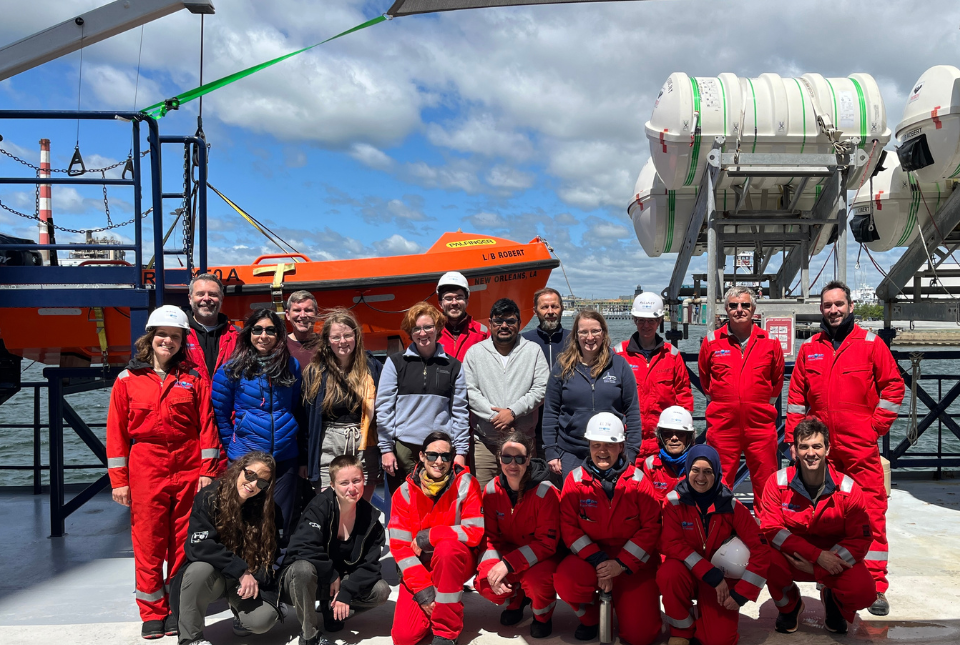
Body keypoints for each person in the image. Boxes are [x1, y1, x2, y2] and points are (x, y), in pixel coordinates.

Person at [786, 280, 904, 615]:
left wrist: (874, 428)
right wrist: (794, 440)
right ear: (821, 309)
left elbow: (894, 387)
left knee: (869, 512)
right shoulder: (810, 348)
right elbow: (796, 398)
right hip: (820, 450)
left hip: (859, 448)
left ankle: (876, 585)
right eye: (827, 305)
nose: (833, 310)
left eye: (839, 304)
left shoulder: (870, 344)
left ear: (850, 306)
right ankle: (828, 574)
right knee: (821, 514)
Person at [107, 305, 220, 640]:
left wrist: (207, 471)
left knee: (183, 543)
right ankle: (152, 612)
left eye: (174, 336)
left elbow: (207, 428)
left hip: (187, 464)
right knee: (149, 542)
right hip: (146, 464)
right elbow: (116, 435)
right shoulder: (127, 381)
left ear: (182, 341)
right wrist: (120, 482)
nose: (167, 342)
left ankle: (177, 608)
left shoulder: (193, 379)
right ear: (150, 337)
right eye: (162, 335)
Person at [760, 416, 878, 635]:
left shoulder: (849, 489)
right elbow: (771, 530)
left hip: (833, 563)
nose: (810, 453)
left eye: (817, 446)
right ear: (794, 450)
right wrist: (816, 556)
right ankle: (789, 606)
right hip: (793, 558)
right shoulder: (776, 483)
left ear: (828, 448)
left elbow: (859, 540)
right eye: (803, 447)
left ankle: (833, 601)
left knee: (864, 593)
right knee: (763, 558)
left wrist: (820, 566)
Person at [555, 413, 662, 645]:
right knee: (566, 580)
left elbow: (651, 527)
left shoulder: (639, 481)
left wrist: (620, 564)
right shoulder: (574, 481)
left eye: (610, 445)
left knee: (641, 637)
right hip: (591, 559)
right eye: (596, 445)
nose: (602, 451)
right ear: (589, 446)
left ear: (621, 446)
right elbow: (569, 528)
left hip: (633, 564)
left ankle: (622, 605)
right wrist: (600, 562)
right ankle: (591, 618)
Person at [658, 445, 771, 645]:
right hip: (690, 575)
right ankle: (682, 631)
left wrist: (742, 593)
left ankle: (704, 622)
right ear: (687, 470)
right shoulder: (673, 502)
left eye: (708, 471)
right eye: (695, 470)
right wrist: (709, 572)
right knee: (668, 572)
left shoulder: (733, 507)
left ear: (717, 473)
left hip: (721, 585)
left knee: (720, 640)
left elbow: (761, 549)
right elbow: (671, 543)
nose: (701, 477)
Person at [174, 452, 283, 645]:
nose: (253, 484)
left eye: (262, 482)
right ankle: (191, 639)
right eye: (250, 475)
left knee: (263, 620)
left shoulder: (268, 509)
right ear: (239, 470)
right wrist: (240, 570)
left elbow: (272, 554)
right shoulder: (208, 497)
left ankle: (240, 614)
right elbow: (199, 545)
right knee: (198, 569)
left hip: (244, 581)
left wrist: (254, 578)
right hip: (214, 575)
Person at [212, 309, 302, 539]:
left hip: (285, 456)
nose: (264, 335)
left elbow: (294, 407)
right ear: (248, 333)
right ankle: (248, 568)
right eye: (257, 329)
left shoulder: (291, 366)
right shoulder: (230, 369)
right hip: (247, 457)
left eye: (270, 330)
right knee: (248, 517)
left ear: (279, 334)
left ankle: (279, 568)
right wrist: (235, 447)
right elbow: (221, 416)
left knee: (282, 519)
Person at [282, 455, 390, 645]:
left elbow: (370, 566)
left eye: (356, 481)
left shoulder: (372, 519)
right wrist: (330, 573)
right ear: (332, 485)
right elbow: (301, 546)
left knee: (381, 590)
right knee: (302, 568)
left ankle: (332, 610)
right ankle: (309, 635)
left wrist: (346, 593)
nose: (352, 488)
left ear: (364, 480)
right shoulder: (319, 507)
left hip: (339, 584)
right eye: (344, 483)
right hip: (309, 581)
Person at [388, 432, 484, 645]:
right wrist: (424, 592)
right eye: (432, 455)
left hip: (455, 560)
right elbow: (401, 549)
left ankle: (447, 632)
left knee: (447, 548)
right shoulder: (403, 493)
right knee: (404, 637)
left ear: (452, 459)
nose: (439, 462)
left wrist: (430, 536)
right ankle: (441, 607)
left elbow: (475, 531)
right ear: (421, 456)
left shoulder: (467, 484)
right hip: (420, 567)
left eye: (446, 456)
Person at [697, 286, 784, 493]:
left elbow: (777, 380)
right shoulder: (711, 342)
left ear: (754, 309)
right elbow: (705, 380)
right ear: (726, 309)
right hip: (723, 426)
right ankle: (720, 524)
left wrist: (759, 405)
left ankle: (767, 525)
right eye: (733, 305)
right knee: (718, 482)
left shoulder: (771, 342)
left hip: (760, 426)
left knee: (766, 483)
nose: (739, 310)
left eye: (745, 305)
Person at [377, 303, 469, 494]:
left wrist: (460, 452)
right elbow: (384, 407)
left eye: (428, 327)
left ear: (437, 328)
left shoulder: (454, 366)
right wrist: (386, 449)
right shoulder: (395, 362)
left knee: (438, 501)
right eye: (416, 328)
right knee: (404, 503)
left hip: (439, 450)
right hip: (404, 448)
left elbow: (460, 412)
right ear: (410, 332)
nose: (423, 333)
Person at [476, 431, 561, 638]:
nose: (512, 464)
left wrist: (508, 564)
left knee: (536, 581)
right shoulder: (490, 490)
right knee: (485, 581)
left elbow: (547, 544)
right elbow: (489, 539)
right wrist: (492, 567)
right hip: (509, 554)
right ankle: (516, 600)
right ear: (499, 458)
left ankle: (542, 615)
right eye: (507, 458)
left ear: (529, 459)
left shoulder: (546, 492)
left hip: (542, 558)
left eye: (519, 459)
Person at [542, 310, 642, 480]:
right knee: (573, 503)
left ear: (603, 333)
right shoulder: (563, 367)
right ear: (576, 335)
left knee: (610, 503)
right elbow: (551, 411)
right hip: (571, 451)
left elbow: (632, 411)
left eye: (595, 331)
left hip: (610, 451)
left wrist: (631, 451)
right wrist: (551, 450)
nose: (590, 337)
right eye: (583, 332)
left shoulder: (619, 365)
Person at [462, 298, 549, 486]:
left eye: (510, 321)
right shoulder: (475, 353)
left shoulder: (533, 351)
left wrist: (513, 412)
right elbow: (469, 391)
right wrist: (497, 417)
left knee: (522, 496)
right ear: (490, 323)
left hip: (522, 442)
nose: (504, 325)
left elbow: (541, 388)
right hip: (485, 442)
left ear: (519, 324)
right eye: (498, 321)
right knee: (484, 497)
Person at [301, 309, 380, 498]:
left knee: (362, 507)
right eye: (336, 337)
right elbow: (305, 420)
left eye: (347, 335)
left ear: (356, 336)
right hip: (328, 442)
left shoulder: (372, 367)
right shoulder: (315, 372)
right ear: (327, 340)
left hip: (364, 441)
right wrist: (304, 458)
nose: (342, 342)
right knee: (329, 506)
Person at [615, 292, 693, 460]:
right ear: (635, 320)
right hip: (629, 440)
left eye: (651, 320)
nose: (646, 325)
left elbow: (683, 396)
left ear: (659, 321)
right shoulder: (619, 354)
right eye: (641, 320)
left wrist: (683, 433)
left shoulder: (672, 355)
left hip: (663, 440)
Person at [521, 287, 572, 461]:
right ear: (535, 311)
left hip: (568, 423)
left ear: (562, 309)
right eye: (544, 307)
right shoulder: (523, 341)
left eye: (554, 306)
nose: (550, 312)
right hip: (533, 423)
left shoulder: (575, 340)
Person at [184, 273, 238, 384]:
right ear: (190, 298)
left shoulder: (238, 336)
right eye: (200, 294)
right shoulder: (178, 334)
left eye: (213, 294)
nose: (207, 298)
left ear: (221, 299)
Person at [641, 406, 696, 505]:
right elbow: (647, 506)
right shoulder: (650, 465)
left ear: (690, 438)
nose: (674, 438)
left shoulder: (701, 464)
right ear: (660, 437)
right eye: (667, 434)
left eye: (680, 434)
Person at [436, 271, 489, 361]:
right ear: (440, 304)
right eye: (448, 298)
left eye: (459, 297)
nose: (454, 303)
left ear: (467, 302)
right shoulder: (431, 332)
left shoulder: (482, 333)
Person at [286, 290, 320, 370]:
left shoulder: (327, 344)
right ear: (287, 315)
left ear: (317, 315)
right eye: (297, 310)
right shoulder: (280, 346)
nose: (302, 315)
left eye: (308, 310)